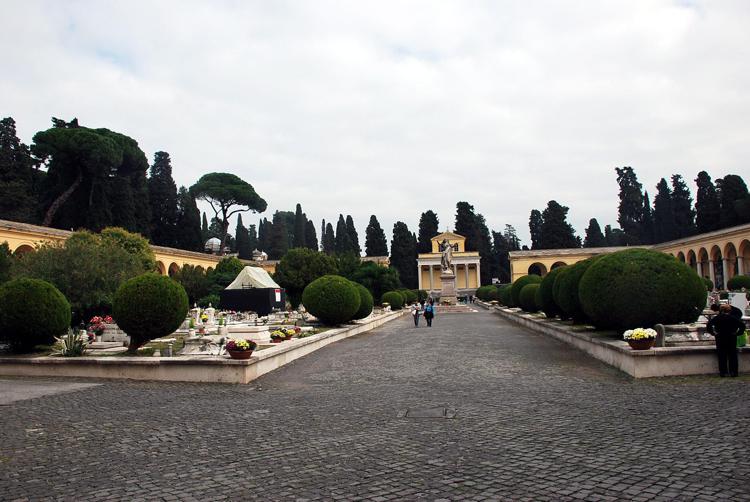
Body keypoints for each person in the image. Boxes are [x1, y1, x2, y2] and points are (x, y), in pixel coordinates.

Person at [706, 304, 746, 377]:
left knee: (721, 355)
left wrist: (713, 333)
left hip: (720, 337)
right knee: (732, 355)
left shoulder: (717, 318)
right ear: (729, 310)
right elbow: (742, 326)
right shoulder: (733, 318)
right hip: (731, 336)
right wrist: (738, 333)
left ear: (720, 310)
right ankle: (733, 372)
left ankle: (723, 372)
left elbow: (709, 325)